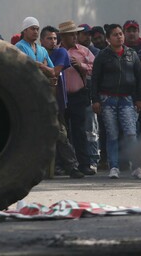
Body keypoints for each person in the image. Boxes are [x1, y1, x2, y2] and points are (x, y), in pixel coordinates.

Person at [91, 24, 141, 179]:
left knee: (131, 134)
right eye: (115, 34)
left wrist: (140, 98)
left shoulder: (132, 54)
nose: (119, 37)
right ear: (108, 39)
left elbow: (139, 77)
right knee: (112, 134)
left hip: (127, 99)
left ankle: (136, 167)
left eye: (120, 34)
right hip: (107, 100)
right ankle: (114, 167)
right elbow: (94, 79)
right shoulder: (103, 55)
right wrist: (95, 99)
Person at [40, 26, 85, 179]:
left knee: (61, 134)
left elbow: (54, 71)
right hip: (40, 101)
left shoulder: (61, 52)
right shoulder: (39, 53)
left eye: (54, 38)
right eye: (49, 38)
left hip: (57, 101)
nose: (52, 41)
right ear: (41, 41)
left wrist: (38, 65)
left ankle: (72, 167)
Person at [58, 20, 96, 176]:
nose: (75, 37)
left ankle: (84, 164)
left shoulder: (83, 51)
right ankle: (66, 165)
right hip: (61, 96)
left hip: (78, 95)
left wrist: (82, 66)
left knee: (80, 130)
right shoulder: (56, 51)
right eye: (71, 34)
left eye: (76, 34)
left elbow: (95, 67)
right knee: (63, 132)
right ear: (63, 36)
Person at [76, 24, 100, 170]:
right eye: (84, 34)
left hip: (90, 95)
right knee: (77, 130)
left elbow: (96, 70)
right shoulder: (72, 50)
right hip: (75, 96)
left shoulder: (95, 52)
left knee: (91, 130)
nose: (88, 37)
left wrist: (82, 66)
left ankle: (93, 159)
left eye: (89, 34)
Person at [123, 20, 141, 136]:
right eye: (128, 31)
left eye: (134, 30)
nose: (131, 33)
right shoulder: (120, 49)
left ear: (138, 32)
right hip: (126, 95)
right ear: (124, 32)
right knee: (129, 130)